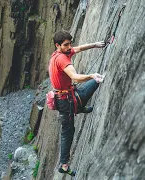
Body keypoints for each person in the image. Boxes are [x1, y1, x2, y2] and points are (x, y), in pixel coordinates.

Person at [48, 30, 105, 176]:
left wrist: (95, 45)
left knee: (84, 90)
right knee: (68, 132)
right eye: (66, 45)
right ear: (57, 45)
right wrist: (92, 75)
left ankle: (79, 107)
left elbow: (77, 48)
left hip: (65, 97)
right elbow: (75, 77)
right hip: (65, 102)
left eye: (69, 44)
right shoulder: (62, 59)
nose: (69, 47)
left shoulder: (59, 54)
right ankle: (64, 165)